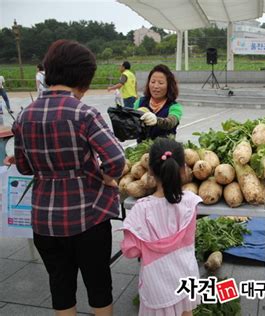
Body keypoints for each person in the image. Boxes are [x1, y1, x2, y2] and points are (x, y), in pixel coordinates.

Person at [12, 39, 125, 316]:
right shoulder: (84, 113)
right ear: (83, 78)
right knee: (98, 284)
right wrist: (107, 177)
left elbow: (24, 168)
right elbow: (116, 159)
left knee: (60, 287)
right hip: (89, 218)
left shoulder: (24, 116)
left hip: (44, 220)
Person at [119, 138, 202, 316]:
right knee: (186, 311)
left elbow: (130, 251)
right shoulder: (190, 202)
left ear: (150, 171)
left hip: (156, 283)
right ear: (183, 170)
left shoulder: (140, 209)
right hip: (185, 276)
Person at [134, 64, 183, 140]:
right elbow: (132, 125)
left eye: (161, 83)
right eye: (153, 82)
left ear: (169, 85)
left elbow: (170, 122)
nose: (156, 86)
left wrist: (156, 120)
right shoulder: (140, 102)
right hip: (142, 150)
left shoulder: (174, 107)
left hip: (166, 149)